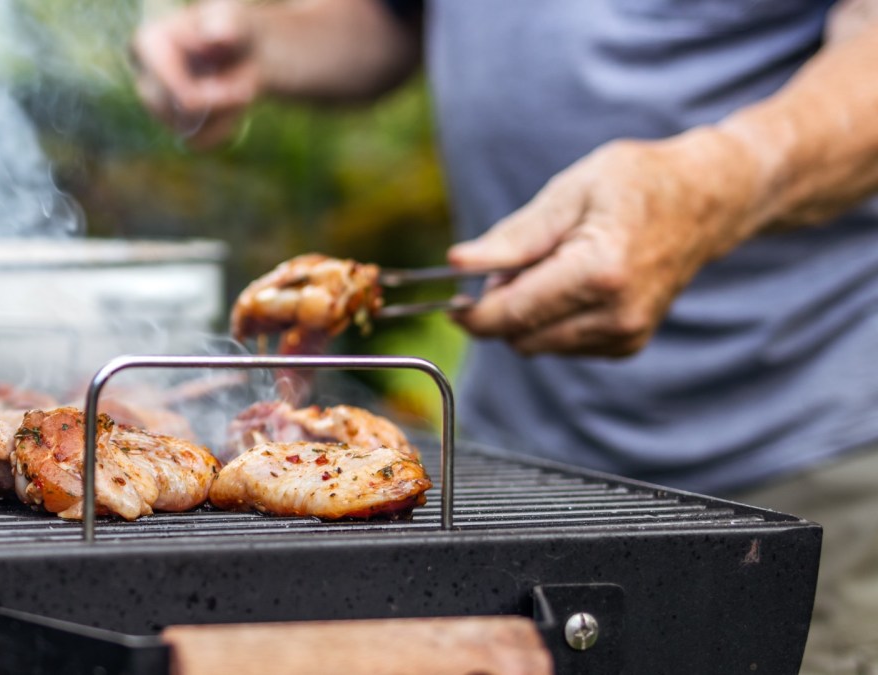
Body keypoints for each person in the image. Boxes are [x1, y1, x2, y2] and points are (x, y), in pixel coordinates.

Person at [132, 0, 878, 672]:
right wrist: (263, 35)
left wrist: (713, 186)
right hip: (512, 461)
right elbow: (398, 18)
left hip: (797, 454)